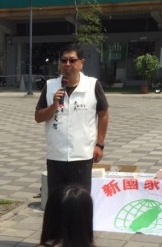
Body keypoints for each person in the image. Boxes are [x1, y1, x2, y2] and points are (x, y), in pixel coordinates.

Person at [34, 44, 109, 198]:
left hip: (82, 155)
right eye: (64, 60)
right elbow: (38, 117)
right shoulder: (50, 86)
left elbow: (103, 114)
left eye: (72, 60)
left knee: (80, 202)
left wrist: (99, 144)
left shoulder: (92, 85)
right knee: (57, 202)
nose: (67, 64)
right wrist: (53, 106)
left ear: (81, 63)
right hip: (56, 156)